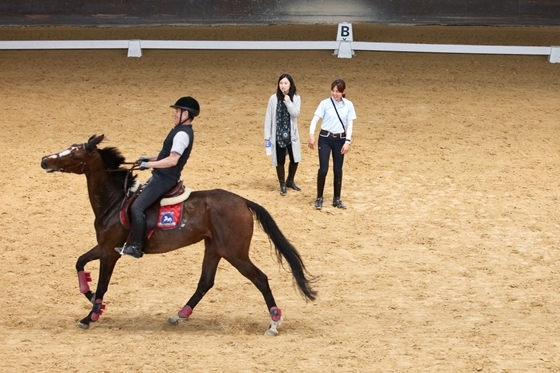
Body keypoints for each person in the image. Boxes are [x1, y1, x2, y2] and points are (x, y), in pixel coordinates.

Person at [116, 96, 200, 258]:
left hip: (164, 179)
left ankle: (136, 246)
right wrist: (148, 158)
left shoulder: (182, 135)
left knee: (137, 207)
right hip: (160, 176)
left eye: (178, 111)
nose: (175, 114)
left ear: (187, 114)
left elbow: (172, 160)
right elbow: (165, 154)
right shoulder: (178, 130)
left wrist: (148, 165)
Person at [308, 78, 356, 210]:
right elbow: (315, 120)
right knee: (323, 169)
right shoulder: (324, 103)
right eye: (333, 91)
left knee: (338, 169)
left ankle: (337, 198)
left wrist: (347, 142)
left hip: (340, 139)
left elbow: (349, 124)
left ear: (343, 92)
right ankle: (319, 197)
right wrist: (311, 134)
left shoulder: (349, 105)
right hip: (325, 138)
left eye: (337, 91)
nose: (335, 94)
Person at [264, 73, 302, 196]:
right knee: (280, 160)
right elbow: (268, 117)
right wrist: (267, 135)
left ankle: (290, 180)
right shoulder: (273, 99)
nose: (283, 86)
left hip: (291, 134)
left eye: (285, 83)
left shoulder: (296, 98)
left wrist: (288, 102)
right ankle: (282, 183)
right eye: (281, 83)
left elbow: (295, 113)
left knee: (294, 159)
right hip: (278, 134)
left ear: (290, 84)